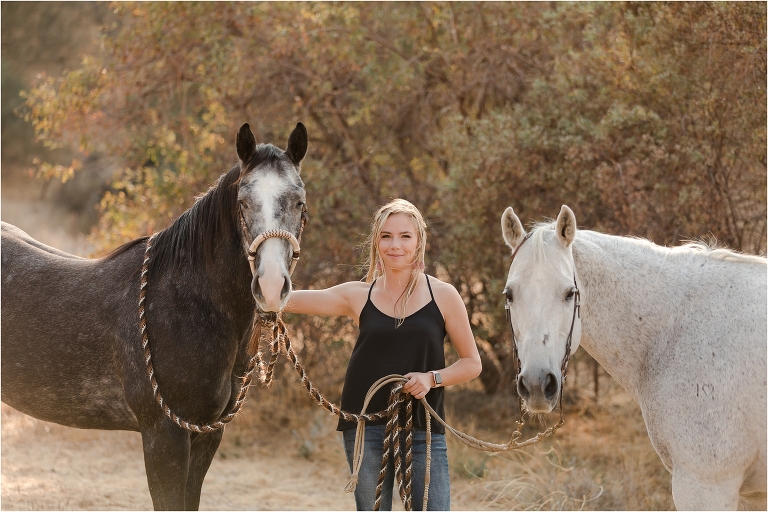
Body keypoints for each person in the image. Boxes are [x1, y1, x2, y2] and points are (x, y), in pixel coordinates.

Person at [285, 198, 482, 511]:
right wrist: (259, 284)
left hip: (422, 429)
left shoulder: (443, 295)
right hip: (365, 426)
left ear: (419, 242)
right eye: (386, 236)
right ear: (376, 241)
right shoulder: (357, 295)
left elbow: (472, 363)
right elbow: (286, 300)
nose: (395, 245)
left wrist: (432, 378)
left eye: (405, 236)